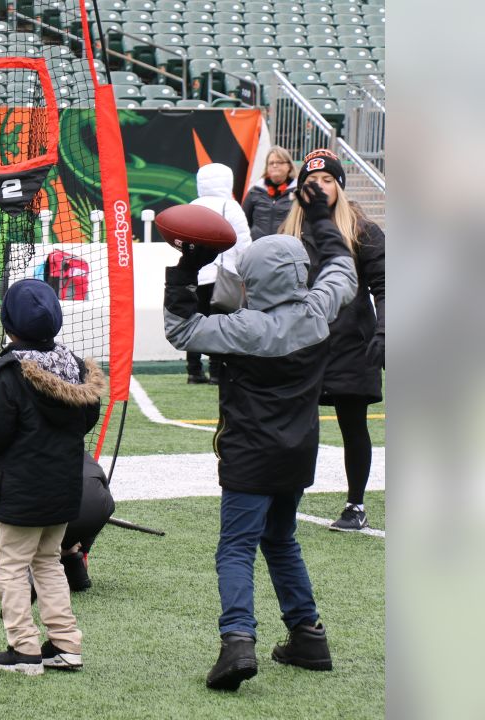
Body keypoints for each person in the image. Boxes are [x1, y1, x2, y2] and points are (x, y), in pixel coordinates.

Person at [163, 180, 359, 691]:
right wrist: (320, 219)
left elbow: (181, 330)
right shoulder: (318, 312)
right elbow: (342, 269)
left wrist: (187, 269)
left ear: (254, 282)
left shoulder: (240, 328)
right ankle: (308, 635)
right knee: (281, 539)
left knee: (235, 548)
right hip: (298, 454)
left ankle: (237, 641)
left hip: (249, 456)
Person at [0, 279, 105, 675]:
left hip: (21, 490)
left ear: (8, 323)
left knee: (10, 565)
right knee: (48, 562)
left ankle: (23, 648)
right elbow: (87, 417)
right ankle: (65, 644)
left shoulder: (9, 370)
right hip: (62, 488)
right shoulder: (75, 366)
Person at [279, 148, 385, 532]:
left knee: (352, 423)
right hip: (301, 344)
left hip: (351, 345)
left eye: (327, 180)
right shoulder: (288, 233)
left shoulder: (363, 229)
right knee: (296, 426)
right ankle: (286, 497)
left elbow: (386, 285)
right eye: (311, 182)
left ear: (339, 185)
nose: (320, 187)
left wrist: (385, 332)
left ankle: (355, 504)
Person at [186, 162, 253, 385]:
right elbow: (244, 244)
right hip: (223, 276)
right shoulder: (231, 206)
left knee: (194, 321)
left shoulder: (193, 206)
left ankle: (193, 370)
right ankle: (216, 371)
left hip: (196, 275)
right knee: (220, 324)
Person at [59, 453, 116, 592]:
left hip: (62, 512)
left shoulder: (37, 448)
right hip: (101, 509)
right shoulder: (83, 453)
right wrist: (85, 549)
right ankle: (76, 566)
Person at [243, 145, 297, 240]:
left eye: (279, 162)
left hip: (286, 248)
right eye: (271, 163)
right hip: (258, 247)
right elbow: (244, 222)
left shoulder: (298, 193)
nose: (275, 165)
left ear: (289, 166)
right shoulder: (255, 191)